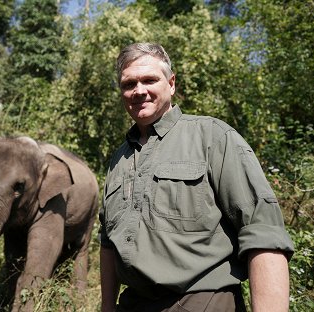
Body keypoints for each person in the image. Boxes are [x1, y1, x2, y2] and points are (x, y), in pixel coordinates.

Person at [99, 42, 294, 312]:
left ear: (171, 83)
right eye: (128, 84)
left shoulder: (213, 137)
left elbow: (263, 232)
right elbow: (108, 244)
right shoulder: (118, 159)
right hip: (133, 303)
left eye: (149, 80)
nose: (139, 91)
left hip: (203, 301)